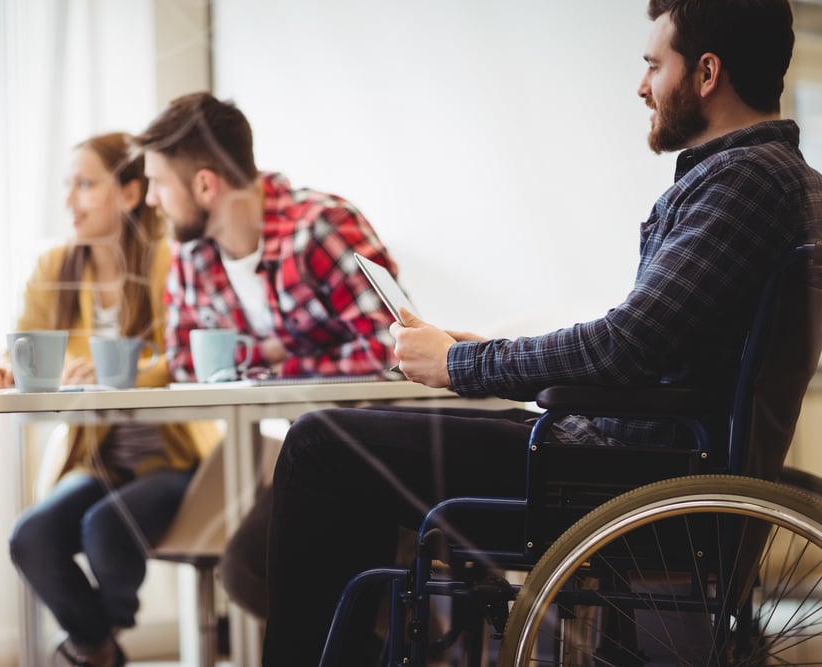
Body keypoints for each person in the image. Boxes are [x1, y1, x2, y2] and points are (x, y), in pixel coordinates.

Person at [260, 0, 822, 665]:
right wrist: (470, 353)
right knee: (350, 443)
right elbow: (644, 345)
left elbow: (624, 344)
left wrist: (462, 367)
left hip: (616, 478)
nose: (642, 86)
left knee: (319, 445)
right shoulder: (774, 181)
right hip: (631, 459)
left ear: (706, 73)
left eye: (652, 65)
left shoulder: (743, 183)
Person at [132, 92, 400, 619]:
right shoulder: (192, 254)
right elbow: (188, 364)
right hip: (304, 448)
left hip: (376, 443)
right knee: (251, 569)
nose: (150, 199)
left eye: (158, 182)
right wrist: (284, 351)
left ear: (205, 185)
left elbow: (391, 347)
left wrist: (276, 361)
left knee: (255, 567)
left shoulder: (319, 227)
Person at [0, 132, 221, 667]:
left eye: (86, 184)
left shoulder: (170, 261)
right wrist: (5, 371)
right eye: (69, 185)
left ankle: (89, 645)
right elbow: (28, 351)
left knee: (108, 526)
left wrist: (127, 374)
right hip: (98, 456)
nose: (70, 200)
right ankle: (99, 647)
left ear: (132, 193)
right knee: (32, 538)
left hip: (175, 457)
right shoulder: (54, 268)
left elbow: (187, 358)